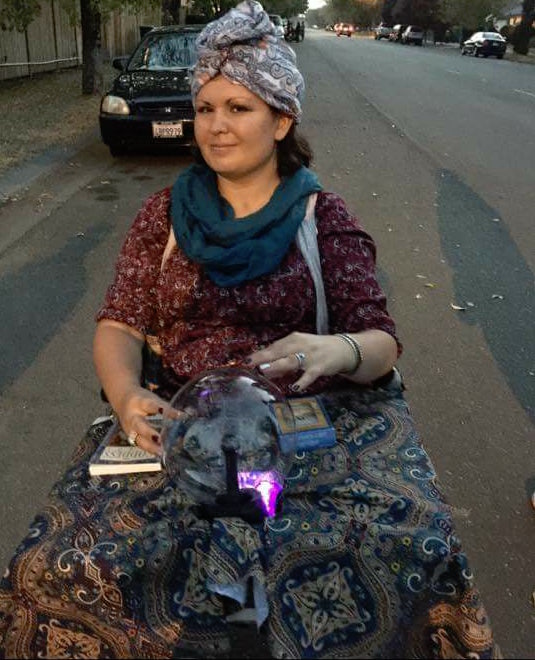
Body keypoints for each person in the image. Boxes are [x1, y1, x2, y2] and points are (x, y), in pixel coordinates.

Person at [88, 2, 498, 657]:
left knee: (407, 556)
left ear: (281, 119)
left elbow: (379, 344)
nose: (215, 127)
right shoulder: (161, 215)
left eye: (238, 108)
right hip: (179, 427)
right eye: (205, 108)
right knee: (76, 568)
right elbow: (118, 324)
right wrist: (125, 394)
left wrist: (333, 349)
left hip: (297, 430)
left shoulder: (320, 217)